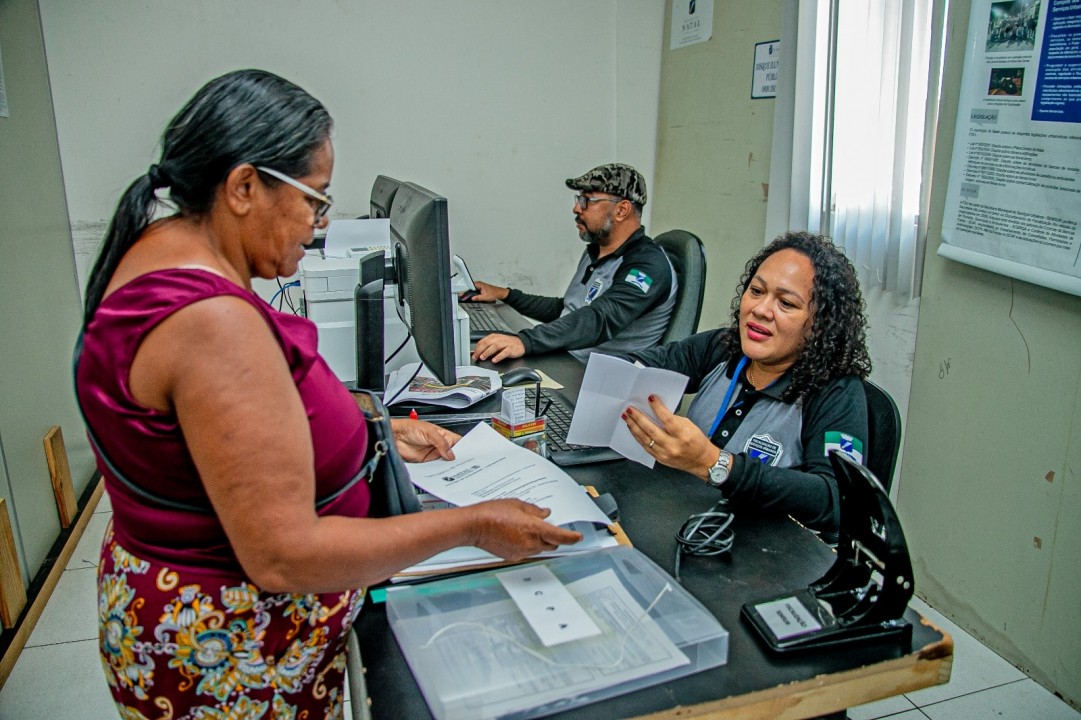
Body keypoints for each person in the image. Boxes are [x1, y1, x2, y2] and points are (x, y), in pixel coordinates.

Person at [76, 69, 581, 720]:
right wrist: (472, 525)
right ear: (243, 186)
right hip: (229, 647)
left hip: (175, 607)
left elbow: (206, 442)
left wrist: (365, 430)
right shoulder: (212, 321)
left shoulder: (156, 252)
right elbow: (284, 557)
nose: (317, 226)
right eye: (314, 202)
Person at [621, 231, 871, 537]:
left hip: (773, 556)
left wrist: (715, 463)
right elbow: (637, 365)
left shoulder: (836, 391)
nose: (761, 309)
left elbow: (838, 500)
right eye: (756, 291)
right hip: (695, 524)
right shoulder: (723, 347)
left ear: (820, 323)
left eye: (786, 303)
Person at [469, 163, 677, 363]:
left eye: (587, 201)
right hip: (569, 363)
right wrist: (505, 295)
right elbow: (568, 309)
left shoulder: (648, 266)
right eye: (578, 199)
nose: (576, 208)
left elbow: (600, 320)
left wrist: (526, 341)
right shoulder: (597, 250)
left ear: (622, 210)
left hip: (603, 384)